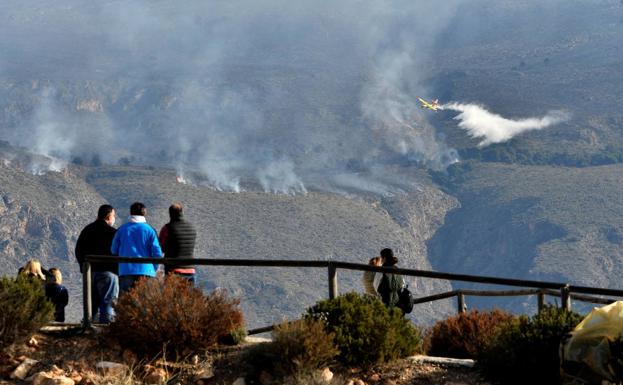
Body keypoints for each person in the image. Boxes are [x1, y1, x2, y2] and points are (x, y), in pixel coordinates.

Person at [75, 204, 119, 323]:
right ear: (109, 216)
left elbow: (78, 250)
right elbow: (118, 252)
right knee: (108, 305)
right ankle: (106, 332)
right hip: (108, 273)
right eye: (114, 215)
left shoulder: (87, 230)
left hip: (90, 273)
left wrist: (83, 267)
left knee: (91, 305)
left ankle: (89, 330)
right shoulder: (113, 233)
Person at [111, 202, 163, 293]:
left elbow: (113, 250)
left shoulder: (122, 229)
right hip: (146, 271)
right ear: (144, 213)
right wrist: (152, 268)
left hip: (126, 271)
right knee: (144, 303)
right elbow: (157, 253)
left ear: (131, 213)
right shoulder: (150, 230)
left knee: (126, 304)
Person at [158, 202, 197, 284]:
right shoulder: (192, 227)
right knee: (189, 296)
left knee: (172, 296)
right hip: (190, 269)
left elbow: (160, 247)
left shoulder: (167, 228)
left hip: (174, 270)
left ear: (170, 214)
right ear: (182, 212)